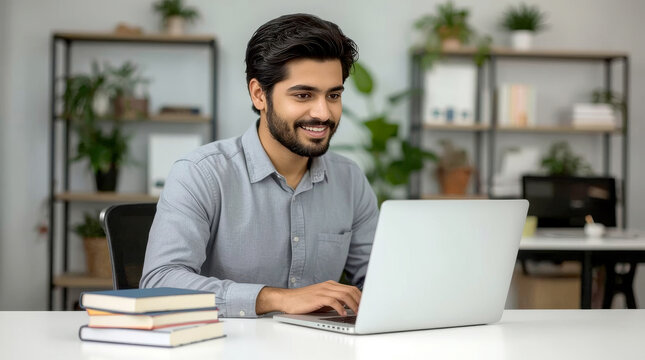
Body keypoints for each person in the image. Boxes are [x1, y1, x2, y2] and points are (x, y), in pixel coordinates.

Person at [140, 13, 379, 318]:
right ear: (259, 94)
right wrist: (275, 299)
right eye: (303, 95)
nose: (323, 112)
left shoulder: (350, 179)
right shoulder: (200, 173)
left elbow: (381, 278)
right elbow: (159, 283)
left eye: (333, 95)